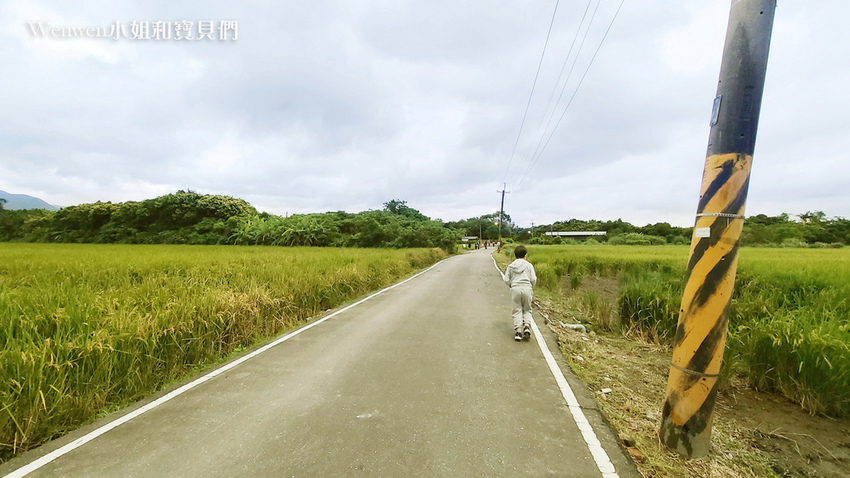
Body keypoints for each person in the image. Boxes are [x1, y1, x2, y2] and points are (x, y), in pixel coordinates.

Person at [503, 245, 537, 341]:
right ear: (525, 255)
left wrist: (511, 285)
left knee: (517, 310)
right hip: (527, 288)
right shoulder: (529, 265)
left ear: (515, 255)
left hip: (515, 288)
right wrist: (531, 287)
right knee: (527, 309)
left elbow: (506, 279)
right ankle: (526, 326)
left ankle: (518, 331)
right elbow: (533, 279)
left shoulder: (511, 266)